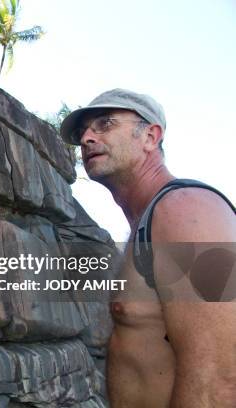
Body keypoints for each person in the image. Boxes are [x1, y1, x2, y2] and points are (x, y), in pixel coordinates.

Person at [60, 89, 236, 407]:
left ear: (151, 136)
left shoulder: (185, 209)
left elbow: (220, 380)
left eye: (105, 124)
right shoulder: (145, 224)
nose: (86, 138)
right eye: (82, 132)